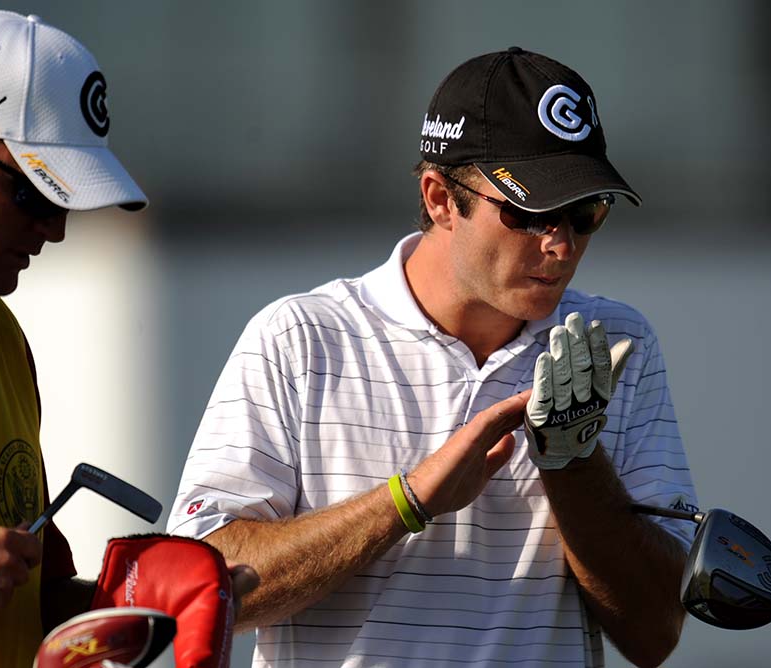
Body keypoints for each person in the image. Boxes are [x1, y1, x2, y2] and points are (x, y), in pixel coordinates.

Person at [168, 47, 698, 667]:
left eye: (585, 213)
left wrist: (576, 462)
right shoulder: (302, 337)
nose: (561, 244)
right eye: (530, 212)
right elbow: (200, 591)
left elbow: (655, 634)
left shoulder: (614, 341)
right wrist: (409, 499)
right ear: (440, 197)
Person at [0, 11, 259, 668]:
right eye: (33, 195)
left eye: (67, 205)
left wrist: (136, 603)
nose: (54, 231)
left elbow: (36, 597)